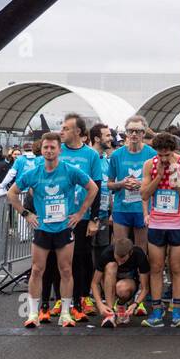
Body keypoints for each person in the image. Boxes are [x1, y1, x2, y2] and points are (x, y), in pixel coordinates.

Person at [9, 131, 99, 328]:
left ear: (59, 150)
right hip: (42, 229)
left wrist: (80, 213)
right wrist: (26, 214)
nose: (49, 151)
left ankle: (65, 313)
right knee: (37, 270)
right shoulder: (34, 172)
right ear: (41, 150)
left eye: (52, 148)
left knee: (66, 270)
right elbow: (12, 193)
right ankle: (33, 313)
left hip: (64, 228)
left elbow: (93, 188)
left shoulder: (70, 170)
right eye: (45, 148)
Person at [139, 132, 180, 328]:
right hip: (157, 223)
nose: (163, 159)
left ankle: (177, 309)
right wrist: (160, 177)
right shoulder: (149, 164)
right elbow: (144, 194)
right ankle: (156, 310)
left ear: (174, 151)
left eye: (167, 155)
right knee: (156, 267)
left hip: (178, 223)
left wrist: (176, 181)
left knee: (177, 267)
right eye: (160, 155)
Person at [58, 113, 106, 320]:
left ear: (78, 131)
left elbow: (97, 186)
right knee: (58, 259)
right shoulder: (57, 152)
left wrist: (94, 219)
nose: (62, 132)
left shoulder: (90, 155)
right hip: (59, 215)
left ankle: (83, 297)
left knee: (82, 256)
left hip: (82, 215)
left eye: (66, 128)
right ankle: (63, 298)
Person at [105, 116, 156, 258]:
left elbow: (158, 183)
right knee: (120, 249)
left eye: (138, 131)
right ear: (126, 133)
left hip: (143, 209)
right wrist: (121, 184)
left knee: (141, 250)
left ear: (143, 133)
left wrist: (141, 184)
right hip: (122, 208)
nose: (134, 134)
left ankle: (140, 280)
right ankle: (121, 278)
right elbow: (109, 184)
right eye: (130, 131)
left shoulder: (152, 155)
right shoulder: (117, 155)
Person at [92, 238, 150, 327]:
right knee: (111, 265)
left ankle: (121, 304)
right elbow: (95, 283)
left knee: (122, 288)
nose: (119, 262)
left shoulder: (139, 254)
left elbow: (145, 288)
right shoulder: (107, 253)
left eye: (122, 259)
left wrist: (135, 304)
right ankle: (110, 312)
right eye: (117, 258)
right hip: (108, 283)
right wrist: (100, 305)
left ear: (130, 253)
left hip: (128, 284)